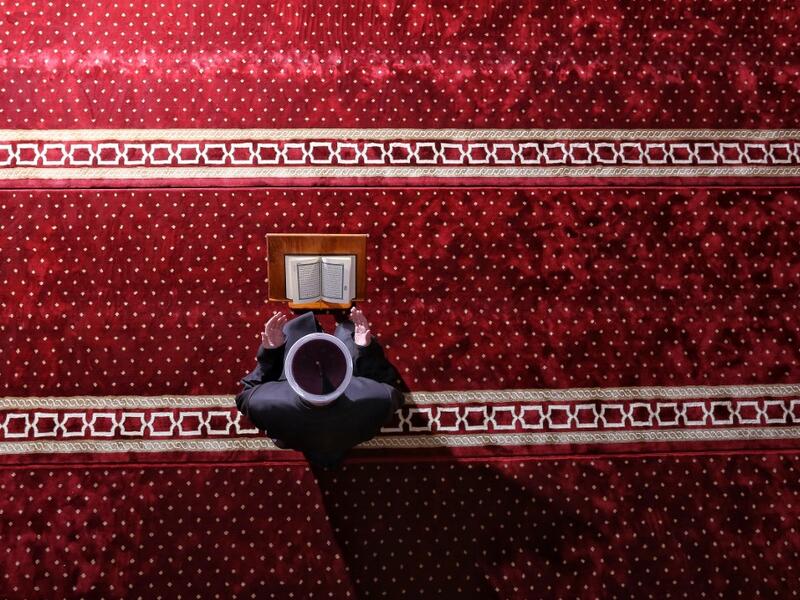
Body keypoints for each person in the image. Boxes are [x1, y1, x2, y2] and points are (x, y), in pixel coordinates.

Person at [235, 306, 404, 468]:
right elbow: (390, 385)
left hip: (295, 438)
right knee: (347, 328)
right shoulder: (374, 398)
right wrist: (365, 350)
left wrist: (270, 354)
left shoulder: (265, 402)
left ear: (292, 381)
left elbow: (247, 391)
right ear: (346, 380)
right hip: (348, 435)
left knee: (294, 327)